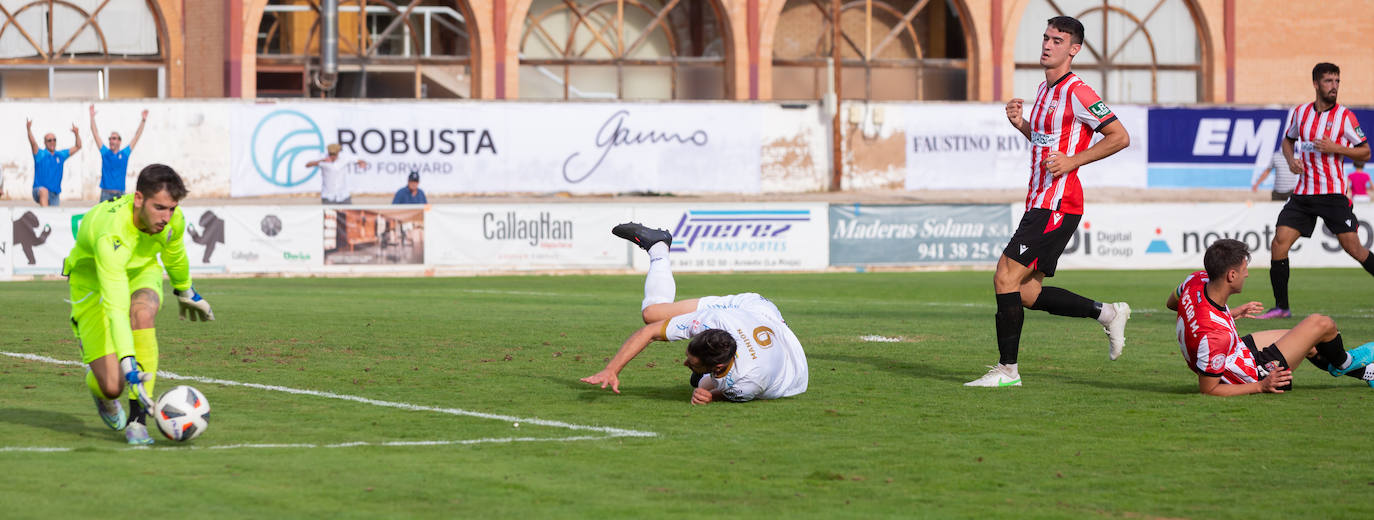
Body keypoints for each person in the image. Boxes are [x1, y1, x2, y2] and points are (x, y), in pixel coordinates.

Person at [966, 16, 1132, 387]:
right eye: (1045, 38)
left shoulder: (1079, 91)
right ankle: (1107, 313)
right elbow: (1047, 144)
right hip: (1041, 201)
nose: (1047, 45)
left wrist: (1074, 161)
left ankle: (1007, 371)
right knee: (1026, 291)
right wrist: (1022, 125)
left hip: (1058, 202)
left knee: (1005, 275)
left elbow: (1120, 136)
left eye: (1057, 40)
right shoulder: (1043, 92)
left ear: (1073, 49)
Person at [63, 164, 215, 444]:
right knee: (111, 386)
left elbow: (175, 255)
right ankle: (101, 391)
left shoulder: (173, 220)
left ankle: (137, 420)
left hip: (142, 269)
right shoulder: (111, 234)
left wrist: (185, 291)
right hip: (92, 279)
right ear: (138, 199)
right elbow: (117, 307)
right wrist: (128, 364)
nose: (167, 217)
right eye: (160, 208)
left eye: (171, 208)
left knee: (143, 313)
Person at [581, 223, 808, 404]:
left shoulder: (748, 380)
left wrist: (710, 396)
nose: (684, 363)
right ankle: (658, 247)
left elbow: (723, 393)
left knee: (698, 384)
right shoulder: (713, 321)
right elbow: (649, 332)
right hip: (752, 310)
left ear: (718, 367)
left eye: (692, 362)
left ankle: (659, 248)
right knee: (652, 315)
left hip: (791, 370)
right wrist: (611, 369)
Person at [1167, 239, 1374, 395]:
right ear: (1231, 275)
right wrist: (1260, 386)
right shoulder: (1214, 336)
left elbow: (1173, 303)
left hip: (1237, 350)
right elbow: (1209, 390)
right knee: (1322, 324)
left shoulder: (1196, 279)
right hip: (1253, 372)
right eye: (1244, 269)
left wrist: (1228, 313)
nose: (1246, 274)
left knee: (1309, 345)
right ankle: (1346, 363)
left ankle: (1364, 373)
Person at [1258, 62, 1373, 319]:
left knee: (1354, 248)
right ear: (1316, 84)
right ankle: (1282, 308)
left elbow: (1365, 151)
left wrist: (1337, 148)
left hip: (1333, 195)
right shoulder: (1300, 113)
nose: (1334, 86)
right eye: (1329, 81)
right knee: (1279, 244)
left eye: (1337, 81)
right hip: (1303, 195)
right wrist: (1291, 161)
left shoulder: (1345, 117)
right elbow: (1288, 140)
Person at [89, 105, 148, 202]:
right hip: (105, 194)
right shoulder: (105, 153)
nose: (111, 140)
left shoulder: (124, 154)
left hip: (120, 194)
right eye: (110, 138)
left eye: (114, 138)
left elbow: (137, 136)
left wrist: (143, 120)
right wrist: (92, 117)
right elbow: (95, 133)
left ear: (119, 141)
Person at [26, 118, 81, 207]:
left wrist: (77, 134)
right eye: (49, 140)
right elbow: (33, 143)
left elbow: (78, 146)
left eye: (54, 140)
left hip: (54, 194)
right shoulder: (41, 154)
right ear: (45, 142)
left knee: (54, 218)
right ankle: (45, 214)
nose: (52, 142)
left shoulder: (60, 155)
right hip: (39, 190)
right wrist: (28, 129)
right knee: (44, 191)